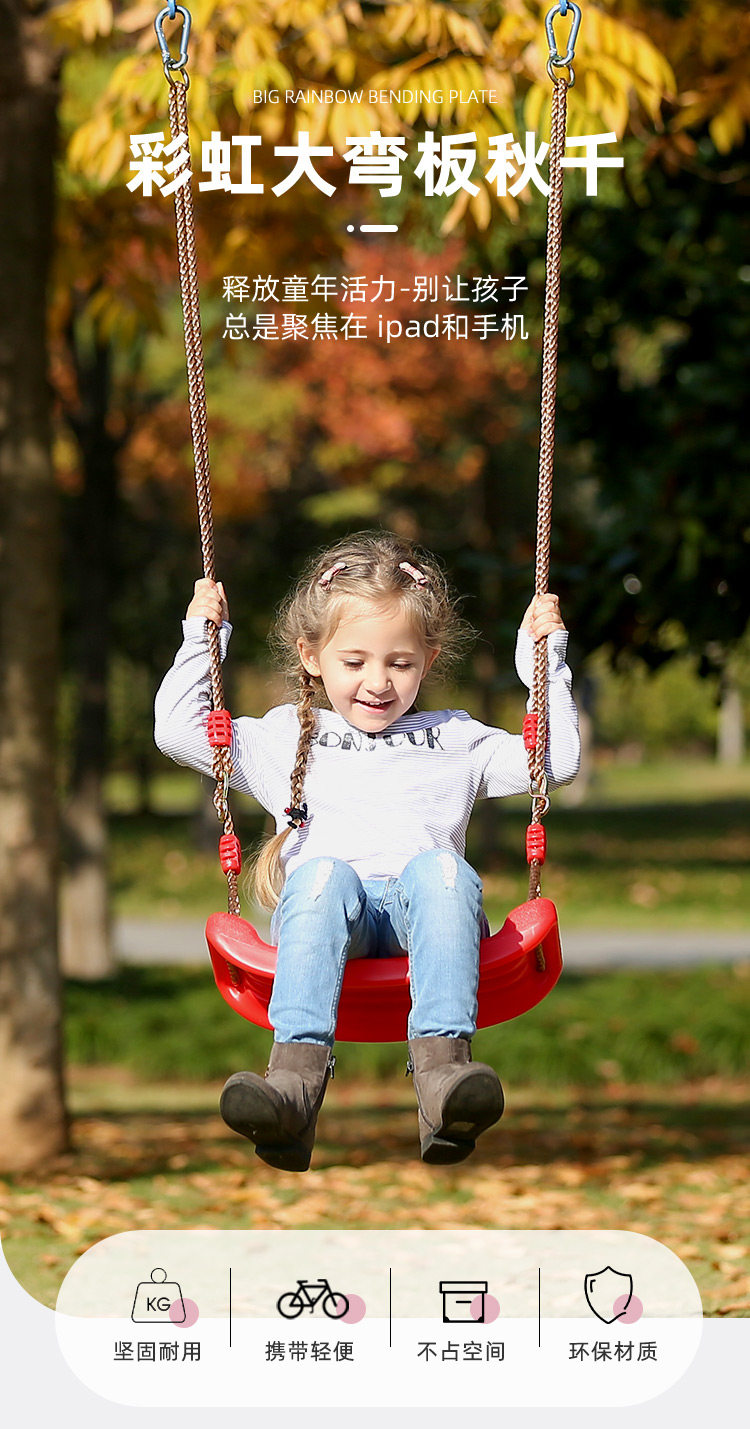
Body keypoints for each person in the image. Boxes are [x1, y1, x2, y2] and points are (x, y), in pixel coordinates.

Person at [154, 530, 580, 1173]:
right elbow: (177, 731)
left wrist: (545, 666)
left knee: (441, 870)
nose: (377, 683)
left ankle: (444, 1081)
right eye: (354, 662)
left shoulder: (456, 739)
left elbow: (558, 760)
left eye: (399, 664)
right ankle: (291, 1090)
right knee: (322, 874)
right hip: (329, 923)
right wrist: (201, 640)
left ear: (428, 660)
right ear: (312, 656)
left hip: (427, 920)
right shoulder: (282, 739)